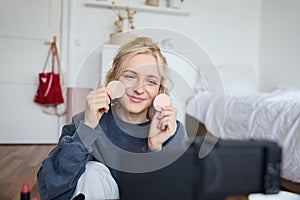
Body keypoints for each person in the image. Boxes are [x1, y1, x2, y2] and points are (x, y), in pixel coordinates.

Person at [37, 37, 189, 200]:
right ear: (113, 79)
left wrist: (155, 148)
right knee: (92, 171)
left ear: (159, 89)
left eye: (151, 81)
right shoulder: (85, 122)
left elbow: (178, 193)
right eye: (130, 76)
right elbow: (52, 188)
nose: (139, 89)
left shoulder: (171, 131)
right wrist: (87, 127)